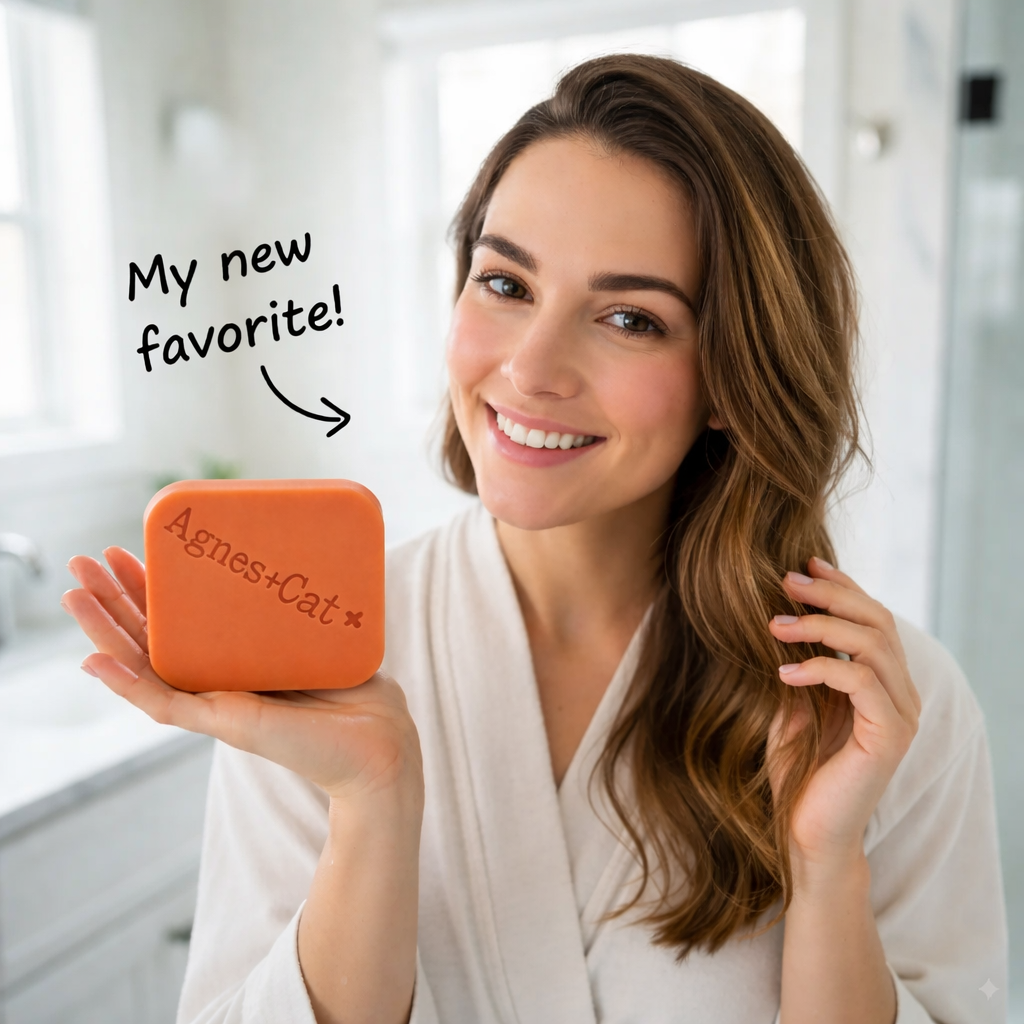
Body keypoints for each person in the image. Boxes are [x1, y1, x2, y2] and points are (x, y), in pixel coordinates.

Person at [62, 55, 1006, 1024]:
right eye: (505, 283)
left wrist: (825, 866)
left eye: (630, 317)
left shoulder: (884, 710)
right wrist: (372, 808)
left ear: (733, 373)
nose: (529, 366)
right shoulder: (315, 653)